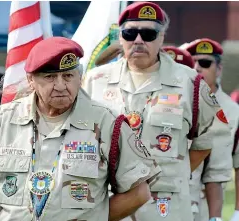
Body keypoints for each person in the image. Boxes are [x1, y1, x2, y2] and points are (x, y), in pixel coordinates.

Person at [0, 37, 161, 221]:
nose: (61, 86)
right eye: (50, 77)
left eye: (68, 76)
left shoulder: (107, 122)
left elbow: (139, 193)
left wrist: (95, 217)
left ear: (80, 77)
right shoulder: (3, 121)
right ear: (31, 80)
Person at [82, 2, 229, 220]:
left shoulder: (189, 82)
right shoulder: (96, 80)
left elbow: (208, 138)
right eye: (130, 33)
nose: (138, 40)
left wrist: (176, 170)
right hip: (112, 203)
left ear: (161, 38)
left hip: (166, 205)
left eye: (149, 34)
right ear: (121, 38)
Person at [163, 45, 234, 221]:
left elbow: (215, 172)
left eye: (204, 63)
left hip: (190, 204)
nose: (197, 68)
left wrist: (216, 218)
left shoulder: (217, 111)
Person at [185, 38, 239, 221]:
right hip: (175, 199)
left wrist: (238, 212)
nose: (197, 67)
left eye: (205, 63)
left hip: (209, 204)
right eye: (192, 62)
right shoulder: (177, 102)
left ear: (219, 69)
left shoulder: (233, 110)